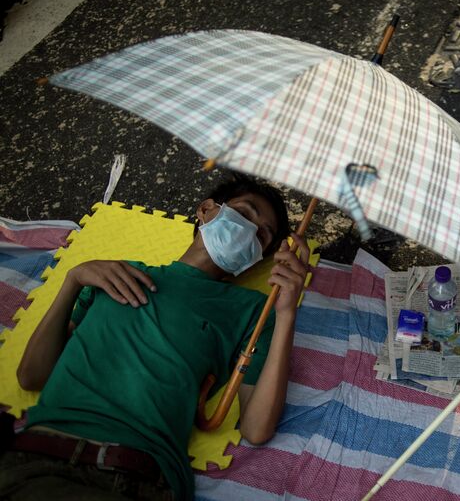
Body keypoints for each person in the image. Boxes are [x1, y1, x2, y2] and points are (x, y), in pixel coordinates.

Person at [1, 175, 309, 500]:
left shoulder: (254, 311)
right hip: (30, 458)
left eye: (262, 234)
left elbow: (256, 429)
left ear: (257, 257)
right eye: (245, 214)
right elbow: (31, 376)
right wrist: (73, 278)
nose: (249, 230)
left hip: (132, 477)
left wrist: (287, 312)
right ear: (205, 210)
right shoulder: (115, 273)